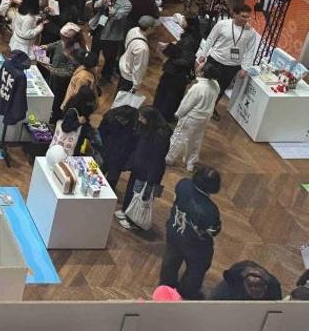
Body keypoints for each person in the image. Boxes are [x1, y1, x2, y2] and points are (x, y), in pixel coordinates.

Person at [160, 167, 222, 299]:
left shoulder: (183, 184)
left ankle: (166, 286)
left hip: (174, 230)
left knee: (170, 260)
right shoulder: (210, 211)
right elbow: (213, 230)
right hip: (195, 245)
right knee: (196, 269)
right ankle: (186, 292)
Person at [197, 3, 260, 120]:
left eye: (248, 17)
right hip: (215, 60)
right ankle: (198, 105)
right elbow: (210, 39)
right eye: (243, 16)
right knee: (205, 85)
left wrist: (245, 68)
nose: (246, 19)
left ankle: (211, 108)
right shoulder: (222, 25)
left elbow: (250, 51)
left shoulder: (251, 32)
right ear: (234, 14)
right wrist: (203, 55)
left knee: (220, 89)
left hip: (232, 66)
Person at [116, 105, 171, 229]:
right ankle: (126, 211)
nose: (140, 120)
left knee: (141, 197)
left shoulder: (161, 135)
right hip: (138, 167)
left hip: (148, 173)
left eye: (142, 118)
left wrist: (151, 179)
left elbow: (157, 159)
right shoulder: (147, 128)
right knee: (132, 190)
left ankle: (134, 221)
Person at [166, 68, 219, 171]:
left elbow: (186, 104)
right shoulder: (216, 85)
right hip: (204, 118)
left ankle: (167, 158)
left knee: (178, 138)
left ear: (203, 72)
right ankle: (190, 163)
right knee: (195, 140)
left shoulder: (198, 87)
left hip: (191, 118)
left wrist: (178, 114)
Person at [117, 15, 158, 95]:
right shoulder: (142, 48)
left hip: (124, 65)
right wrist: (136, 85)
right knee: (123, 99)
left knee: (119, 93)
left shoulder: (133, 30)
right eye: (154, 27)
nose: (155, 29)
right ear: (149, 28)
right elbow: (139, 68)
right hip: (129, 77)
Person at [210, 261, 283, 300]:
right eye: (251, 285)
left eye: (258, 285)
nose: (254, 289)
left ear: (265, 286)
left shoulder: (273, 288)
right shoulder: (233, 282)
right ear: (244, 282)